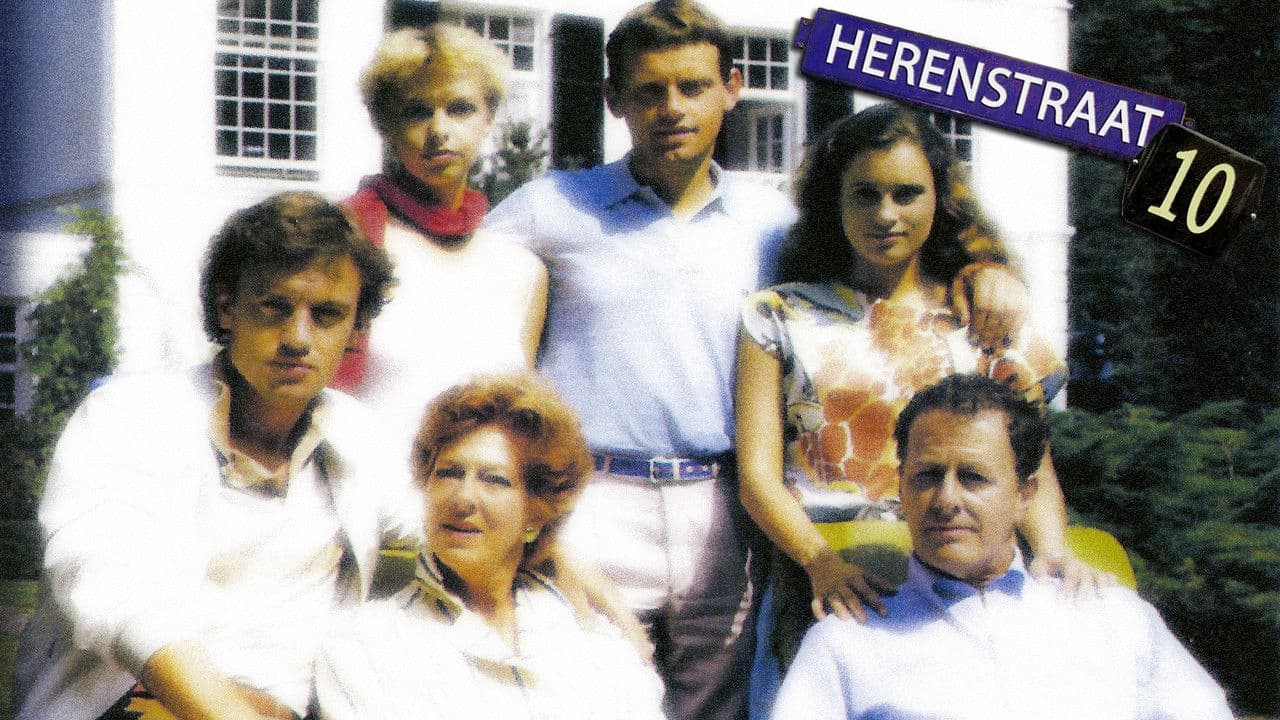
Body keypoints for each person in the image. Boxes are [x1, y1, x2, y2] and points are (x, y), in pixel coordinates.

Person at [485, 4, 1026, 718]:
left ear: (732, 89)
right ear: (614, 99)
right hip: (595, 497)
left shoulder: (773, 222)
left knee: (719, 705)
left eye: (692, 86)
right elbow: (453, 283)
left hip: (725, 505)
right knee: (584, 694)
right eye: (649, 90)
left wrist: (987, 270)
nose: (672, 108)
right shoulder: (549, 208)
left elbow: (885, 272)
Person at [735, 103, 1107, 717]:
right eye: (865, 194)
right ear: (834, 201)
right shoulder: (779, 315)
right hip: (834, 577)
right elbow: (757, 477)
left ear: (940, 198)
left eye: (906, 194)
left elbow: (1029, 465)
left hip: (963, 576)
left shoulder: (979, 321)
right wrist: (820, 564)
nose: (886, 215)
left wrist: (1051, 553)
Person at [13, 192, 417, 720]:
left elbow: (456, 518)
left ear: (354, 328)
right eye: (275, 306)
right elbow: (112, 590)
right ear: (227, 308)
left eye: (327, 315)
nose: (298, 338)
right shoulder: (130, 416)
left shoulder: (360, 438)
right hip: (139, 704)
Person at [771, 374, 1233, 720]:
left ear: (1024, 495)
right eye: (928, 476)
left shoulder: (1113, 618)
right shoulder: (848, 643)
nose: (947, 500)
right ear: (902, 488)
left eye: (974, 478)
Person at [314, 373, 665, 720]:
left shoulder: (595, 644)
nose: (463, 498)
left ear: (537, 511)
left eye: (494, 480)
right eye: (449, 473)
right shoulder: (363, 644)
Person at [333, 24, 547, 452]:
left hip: (475, 489)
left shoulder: (522, 271)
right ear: (386, 125)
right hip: (362, 482)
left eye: (460, 109)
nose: (438, 130)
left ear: (488, 119)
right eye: (417, 112)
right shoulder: (347, 240)